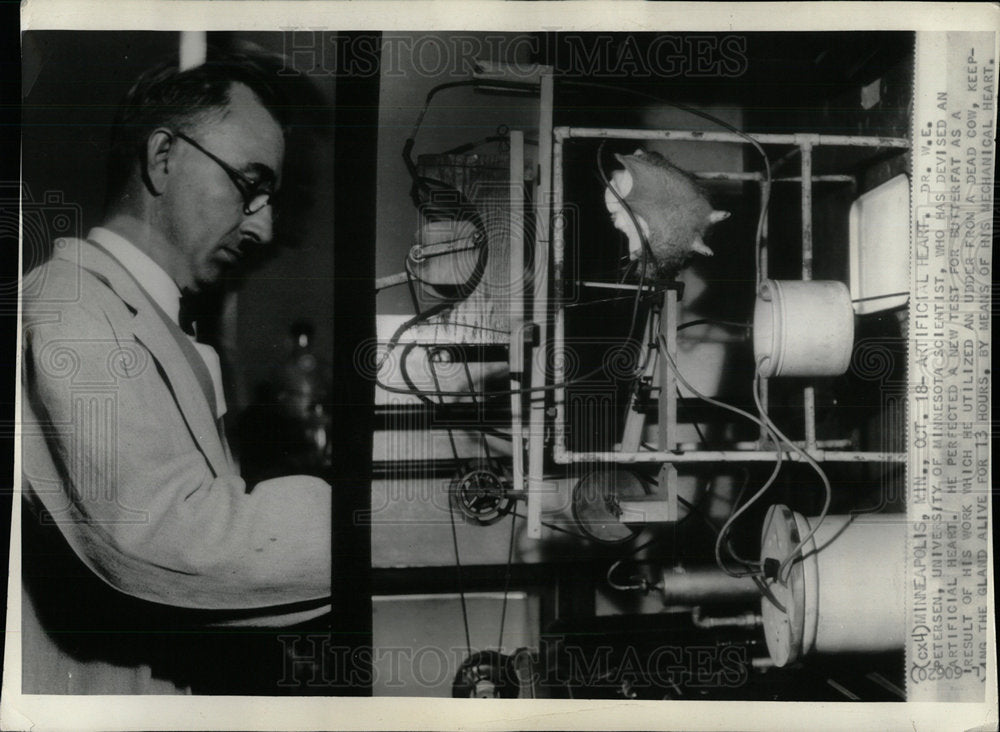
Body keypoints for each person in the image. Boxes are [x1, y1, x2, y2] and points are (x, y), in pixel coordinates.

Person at [20, 51, 331, 694]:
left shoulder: (146, 316)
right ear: (163, 157)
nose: (264, 225)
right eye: (249, 185)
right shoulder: (67, 306)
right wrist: (365, 526)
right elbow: (161, 531)